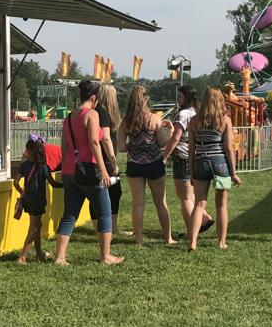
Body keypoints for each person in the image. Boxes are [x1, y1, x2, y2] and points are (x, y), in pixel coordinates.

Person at [54, 80, 124, 266]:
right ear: (93, 98)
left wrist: (64, 167)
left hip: (70, 170)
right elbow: (94, 142)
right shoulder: (91, 114)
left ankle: (60, 257)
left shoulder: (69, 117)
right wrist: (104, 170)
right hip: (89, 171)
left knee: (69, 214)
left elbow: (64, 145)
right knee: (105, 212)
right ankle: (106, 255)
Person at [187, 87, 242, 251]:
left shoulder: (194, 121)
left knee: (199, 204)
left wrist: (191, 171)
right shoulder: (224, 120)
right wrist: (233, 173)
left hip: (201, 162)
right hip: (220, 163)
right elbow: (228, 148)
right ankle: (221, 242)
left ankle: (193, 242)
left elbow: (191, 149)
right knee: (221, 205)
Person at [118, 85, 175, 246]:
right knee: (161, 202)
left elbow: (121, 147)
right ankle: (167, 238)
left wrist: (135, 147)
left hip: (134, 165)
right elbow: (163, 142)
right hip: (154, 164)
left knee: (138, 204)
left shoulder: (126, 121)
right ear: (146, 99)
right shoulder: (154, 119)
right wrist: (169, 131)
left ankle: (139, 239)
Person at [162, 85, 215, 239]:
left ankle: (191, 231)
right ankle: (204, 218)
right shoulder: (196, 112)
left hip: (182, 157)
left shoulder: (183, 114)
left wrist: (164, 156)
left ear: (187, 98)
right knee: (190, 194)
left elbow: (176, 138)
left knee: (184, 197)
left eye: (179, 97)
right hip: (195, 157)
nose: (177, 100)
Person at [13, 139, 63, 264]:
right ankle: (22, 257)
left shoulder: (24, 165)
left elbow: (15, 182)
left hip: (28, 200)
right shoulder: (44, 167)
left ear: (30, 152)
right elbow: (53, 184)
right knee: (34, 228)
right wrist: (65, 184)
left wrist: (22, 192)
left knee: (37, 225)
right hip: (38, 201)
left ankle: (39, 253)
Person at [88, 83, 129, 235]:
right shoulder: (102, 113)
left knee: (107, 193)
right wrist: (113, 162)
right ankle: (109, 227)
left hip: (99, 158)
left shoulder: (96, 112)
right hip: (104, 159)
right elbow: (105, 139)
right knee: (110, 192)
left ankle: (107, 226)